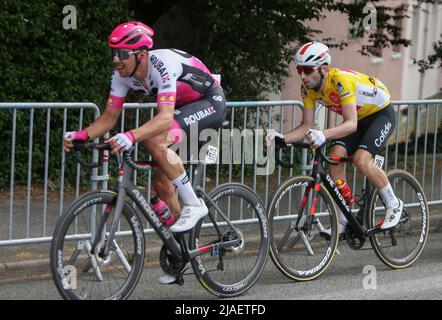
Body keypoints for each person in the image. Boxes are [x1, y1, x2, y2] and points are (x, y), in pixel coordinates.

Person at [63, 21, 226, 283]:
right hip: (182, 111)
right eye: (113, 53)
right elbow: (108, 117)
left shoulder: (160, 64)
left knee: (153, 140)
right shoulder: (121, 75)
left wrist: (130, 136)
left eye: (122, 54)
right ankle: (183, 251)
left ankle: (194, 206)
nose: (116, 59)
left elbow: (164, 119)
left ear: (141, 54)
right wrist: (81, 135)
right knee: (162, 186)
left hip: (207, 102)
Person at [267, 41, 403, 237]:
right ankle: (343, 218)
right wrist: (283, 137)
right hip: (359, 119)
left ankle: (394, 204)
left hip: (380, 115)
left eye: (307, 69)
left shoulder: (340, 81)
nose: (303, 76)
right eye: (299, 70)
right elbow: (306, 125)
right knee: (334, 158)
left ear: (323, 68)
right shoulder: (308, 89)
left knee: (361, 160)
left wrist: (323, 134)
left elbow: (350, 124)